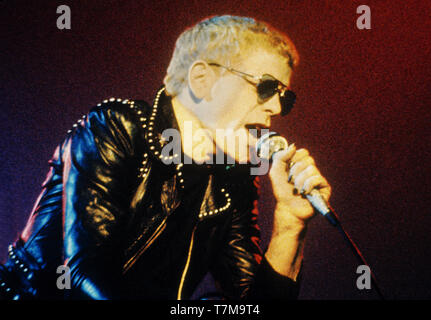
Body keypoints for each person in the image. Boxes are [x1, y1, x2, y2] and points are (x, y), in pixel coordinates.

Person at [0, 15, 331, 300]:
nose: (275, 108)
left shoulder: (236, 177)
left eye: (285, 99)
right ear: (202, 80)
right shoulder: (119, 128)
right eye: (266, 87)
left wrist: (290, 224)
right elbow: (85, 274)